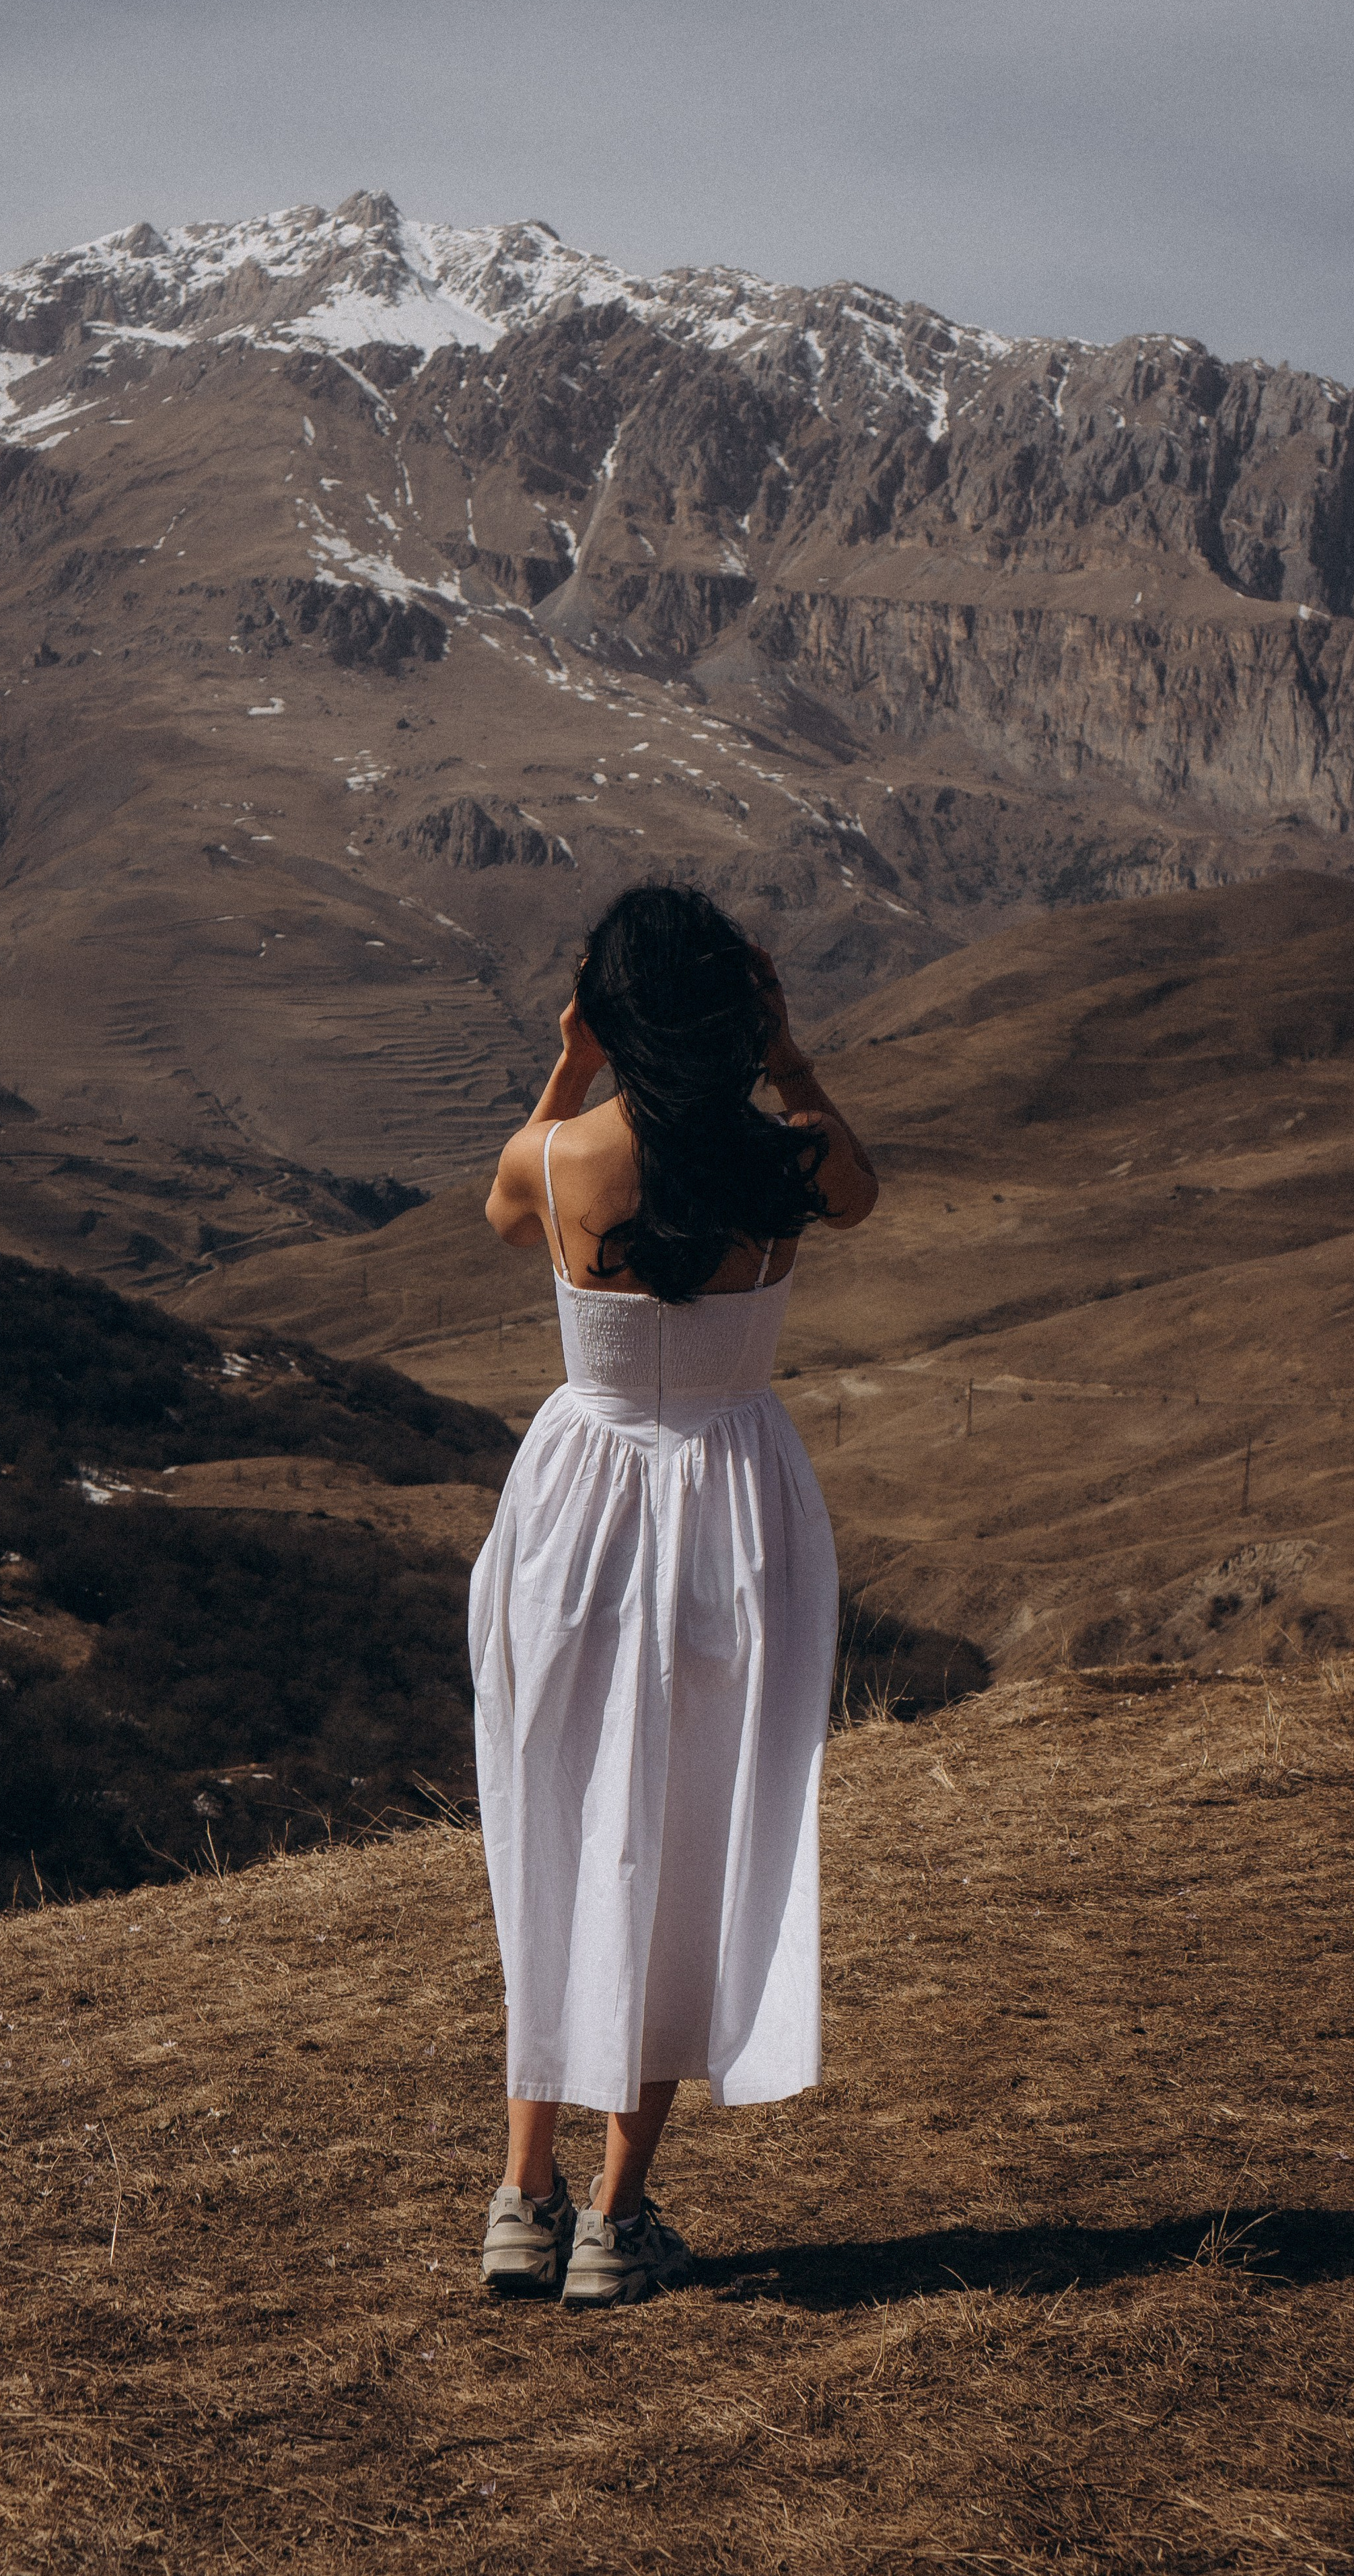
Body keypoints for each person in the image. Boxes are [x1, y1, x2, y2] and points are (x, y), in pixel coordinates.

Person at [468, 881, 879, 2306]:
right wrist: (789, 1060)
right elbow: (859, 1190)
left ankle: (520, 2198)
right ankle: (613, 2217)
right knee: (682, 1843)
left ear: (608, 1011)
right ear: (736, 1011)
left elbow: (502, 1212)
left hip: (577, 1513)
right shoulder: (791, 1166)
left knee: (558, 1830)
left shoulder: (561, 1156)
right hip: (729, 1509)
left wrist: (570, 1064)